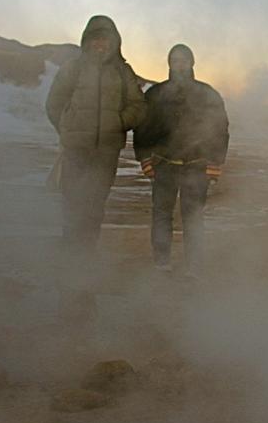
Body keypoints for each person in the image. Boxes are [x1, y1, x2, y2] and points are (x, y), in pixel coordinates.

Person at [45, 14, 146, 255]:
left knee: (95, 202)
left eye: (105, 40)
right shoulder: (73, 68)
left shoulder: (123, 71)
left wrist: (119, 122)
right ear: (87, 41)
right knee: (72, 200)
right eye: (95, 40)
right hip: (76, 148)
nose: (100, 44)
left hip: (106, 151)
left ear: (114, 42)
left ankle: (86, 249)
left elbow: (139, 106)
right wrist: (68, 128)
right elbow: (54, 103)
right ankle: (71, 249)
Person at [134, 44, 229, 276]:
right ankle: (161, 263)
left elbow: (220, 129)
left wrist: (215, 164)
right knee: (161, 215)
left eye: (183, 60)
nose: (179, 64)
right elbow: (141, 129)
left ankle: (193, 268)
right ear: (169, 64)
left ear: (192, 63)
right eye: (175, 60)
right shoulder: (155, 94)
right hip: (163, 163)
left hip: (196, 165)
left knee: (193, 217)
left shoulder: (207, 94)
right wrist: (144, 159)